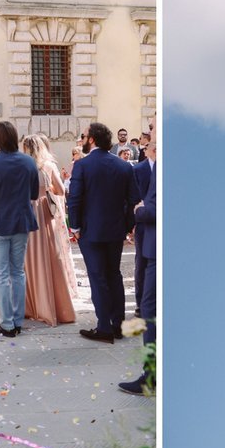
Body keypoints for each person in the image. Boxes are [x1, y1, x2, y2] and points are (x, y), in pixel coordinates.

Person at [67, 122, 137, 343]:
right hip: (115, 230)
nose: (83, 139)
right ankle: (118, 325)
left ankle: (104, 327)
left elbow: (75, 198)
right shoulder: (124, 167)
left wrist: (75, 227)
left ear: (92, 140)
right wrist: (126, 227)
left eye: (84, 136)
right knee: (114, 275)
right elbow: (133, 201)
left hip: (91, 231)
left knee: (98, 278)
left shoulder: (82, 165)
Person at [0, 121, 39, 338]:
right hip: (21, 222)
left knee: (1, 275)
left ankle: (7, 323)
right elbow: (34, 194)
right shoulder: (29, 162)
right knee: (18, 272)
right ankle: (17, 320)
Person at [21, 135, 76, 326]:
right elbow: (61, 191)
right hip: (44, 210)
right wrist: (47, 188)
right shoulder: (49, 166)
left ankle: (32, 305)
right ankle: (55, 305)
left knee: (30, 258)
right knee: (52, 256)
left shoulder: (23, 166)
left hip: (28, 210)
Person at [119, 139, 157, 396]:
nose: (148, 136)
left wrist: (140, 211)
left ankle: (151, 376)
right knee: (148, 308)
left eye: (153, 129)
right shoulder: (142, 168)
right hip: (148, 245)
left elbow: (155, 208)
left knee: (150, 310)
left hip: (155, 245)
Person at [131, 141, 155, 318]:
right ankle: (140, 304)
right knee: (141, 264)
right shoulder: (139, 169)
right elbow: (132, 197)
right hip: (141, 223)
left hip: (153, 220)